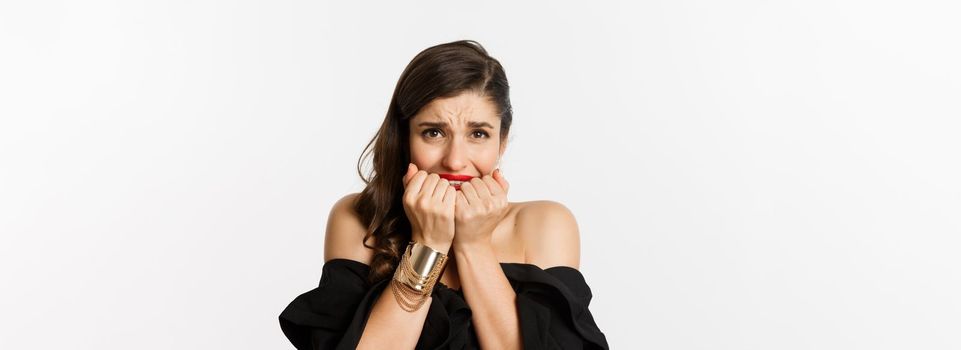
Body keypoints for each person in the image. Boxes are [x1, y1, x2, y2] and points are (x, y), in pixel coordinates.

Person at [279, 40, 609, 350]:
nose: (454, 160)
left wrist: (472, 243)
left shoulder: (545, 223)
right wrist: (429, 244)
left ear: (502, 143)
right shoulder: (358, 217)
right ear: (405, 138)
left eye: (478, 133)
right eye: (434, 132)